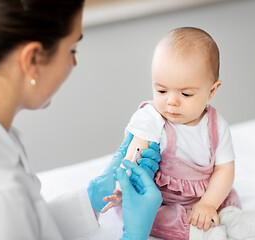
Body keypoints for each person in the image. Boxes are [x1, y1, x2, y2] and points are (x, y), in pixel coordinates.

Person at [0, 0, 163, 239]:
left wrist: (91, 198)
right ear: (32, 59)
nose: (74, 63)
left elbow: (25, 224)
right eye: (72, 50)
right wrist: (134, 234)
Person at [102, 27, 243, 239]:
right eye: (161, 90)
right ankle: (197, 231)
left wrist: (208, 203)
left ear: (212, 91)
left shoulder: (216, 125)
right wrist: (124, 188)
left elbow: (224, 169)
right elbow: (133, 156)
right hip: (161, 199)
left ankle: (226, 219)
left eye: (186, 93)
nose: (171, 101)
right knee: (155, 218)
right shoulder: (153, 119)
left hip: (204, 196)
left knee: (229, 198)